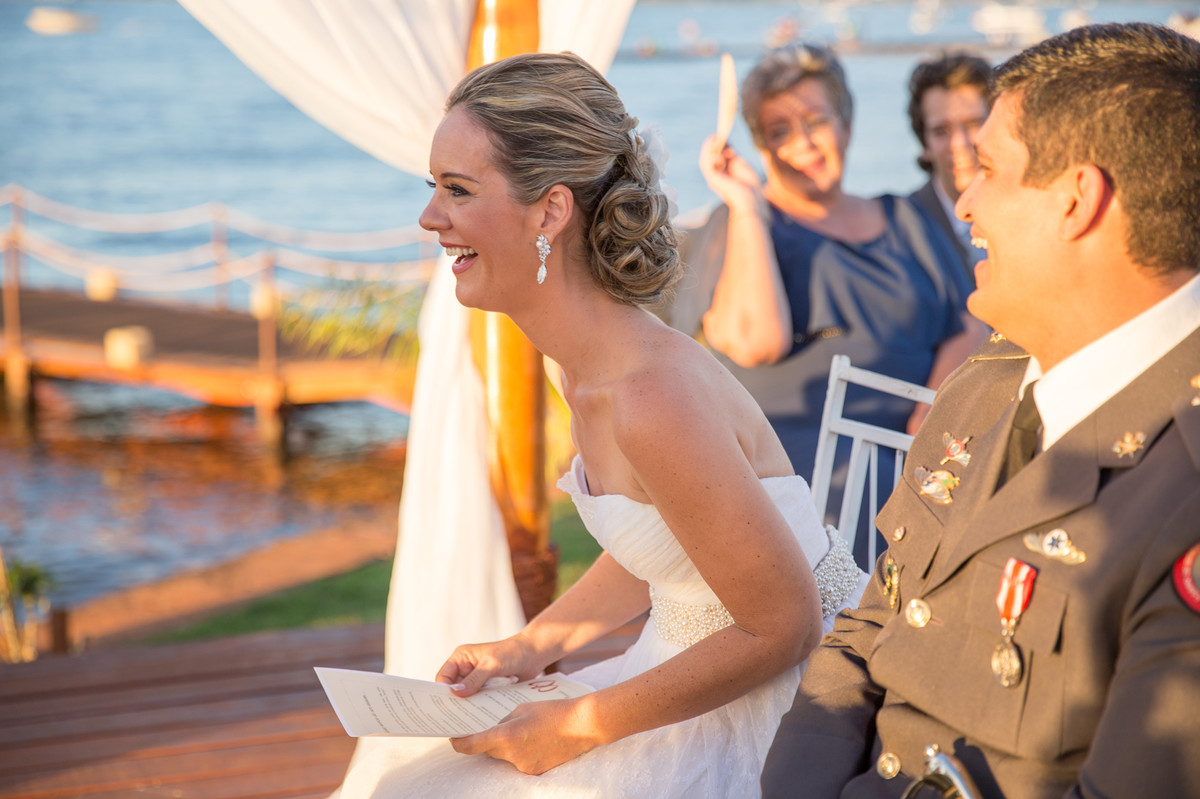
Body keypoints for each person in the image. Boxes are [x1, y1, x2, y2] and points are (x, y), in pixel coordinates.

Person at [337, 52, 868, 798]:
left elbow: (787, 625)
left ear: (551, 211)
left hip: (778, 703)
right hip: (693, 659)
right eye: (435, 188)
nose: (430, 216)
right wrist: (527, 649)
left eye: (457, 190)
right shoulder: (581, 365)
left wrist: (575, 725)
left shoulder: (651, 396)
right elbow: (675, 536)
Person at [762, 22, 1200, 798]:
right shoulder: (988, 379)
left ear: (1077, 201)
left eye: (989, 169)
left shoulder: (1185, 481)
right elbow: (869, 627)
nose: (964, 199)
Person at [675, 43, 986, 567]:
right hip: (791, 497)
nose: (804, 144)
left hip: (913, 476)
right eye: (779, 131)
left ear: (845, 125)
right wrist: (749, 207)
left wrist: (933, 405)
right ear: (759, 144)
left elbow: (970, 318)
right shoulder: (741, 226)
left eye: (817, 120)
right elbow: (756, 341)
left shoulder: (907, 219)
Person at [905, 51, 991, 286]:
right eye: (942, 131)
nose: (960, 144)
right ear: (924, 144)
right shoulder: (901, 232)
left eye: (974, 124)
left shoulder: (1032, 217)